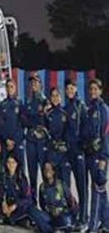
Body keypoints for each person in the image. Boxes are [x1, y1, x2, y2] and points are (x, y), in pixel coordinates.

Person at [84, 78, 109, 232]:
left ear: (100, 91)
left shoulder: (103, 110)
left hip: (99, 156)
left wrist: (103, 158)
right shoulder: (90, 109)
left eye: (95, 89)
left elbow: (106, 135)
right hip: (90, 154)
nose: (93, 91)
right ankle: (106, 223)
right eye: (91, 89)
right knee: (101, 190)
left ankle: (92, 227)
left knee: (96, 190)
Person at [64, 79, 88, 228]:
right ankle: (73, 214)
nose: (69, 91)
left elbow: (86, 128)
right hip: (68, 152)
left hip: (79, 152)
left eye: (71, 88)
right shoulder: (66, 107)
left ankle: (84, 218)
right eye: (67, 89)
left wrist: (82, 147)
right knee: (67, 186)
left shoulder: (81, 107)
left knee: (81, 186)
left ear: (76, 89)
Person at [23, 73, 47, 202]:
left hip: (42, 141)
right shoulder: (27, 102)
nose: (33, 84)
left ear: (41, 85)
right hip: (30, 140)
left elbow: (46, 121)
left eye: (36, 82)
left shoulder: (45, 101)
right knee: (32, 173)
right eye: (32, 82)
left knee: (45, 173)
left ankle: (46, 202)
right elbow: (24, 120)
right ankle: (33, 201)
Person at [38, 161, 78, 232]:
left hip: (62, 214)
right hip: (50, 215)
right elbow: (42, 204)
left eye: (49, 169)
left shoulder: (61, 185)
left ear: (53, 171)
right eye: (45, 169)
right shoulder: (42, 187)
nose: (47, 171)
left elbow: (71, 201)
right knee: (37, 215)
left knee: (66, 221)